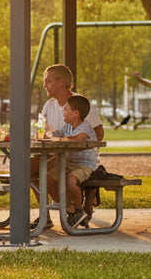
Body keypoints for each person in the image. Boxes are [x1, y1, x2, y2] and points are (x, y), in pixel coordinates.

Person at [32, 64, 104, 226]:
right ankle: (60, 210)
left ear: (61, 82)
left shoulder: (82, 105)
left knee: (45, 170)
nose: (44, 86)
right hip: (53, 155)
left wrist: (79, 150)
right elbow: (44, 132)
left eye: (48, 82)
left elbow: (98, 135)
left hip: (77, 159)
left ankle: (73, 208)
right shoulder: (48, 106)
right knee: (28, 169)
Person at [51, 94, 100, 228]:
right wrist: (48, 134)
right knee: (48, 178)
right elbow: (55, 134)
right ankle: (68, 207)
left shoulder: (85, 127)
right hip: (69, 163)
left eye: (66, 109)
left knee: (71, 181)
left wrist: (57, 139)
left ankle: (79, 211)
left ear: (76, 113)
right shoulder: (67, 127)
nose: (63, 111)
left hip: (85, 165)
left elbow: (76, 139)